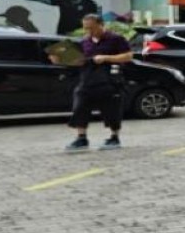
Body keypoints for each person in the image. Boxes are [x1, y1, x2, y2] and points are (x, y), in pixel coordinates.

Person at [56, 13, 132, 151]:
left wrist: (106, 58)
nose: (89, 31)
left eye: (91, 28)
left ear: (101, 25)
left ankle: (114, 137)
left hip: (109, 80)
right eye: (86, 28)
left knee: (112, 109)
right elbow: (79, 61)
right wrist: (61, 60)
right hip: (87, 80)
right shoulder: (84, 42)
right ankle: (81, 138)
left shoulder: (116, 39)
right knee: (79, 107)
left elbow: (128, 56)